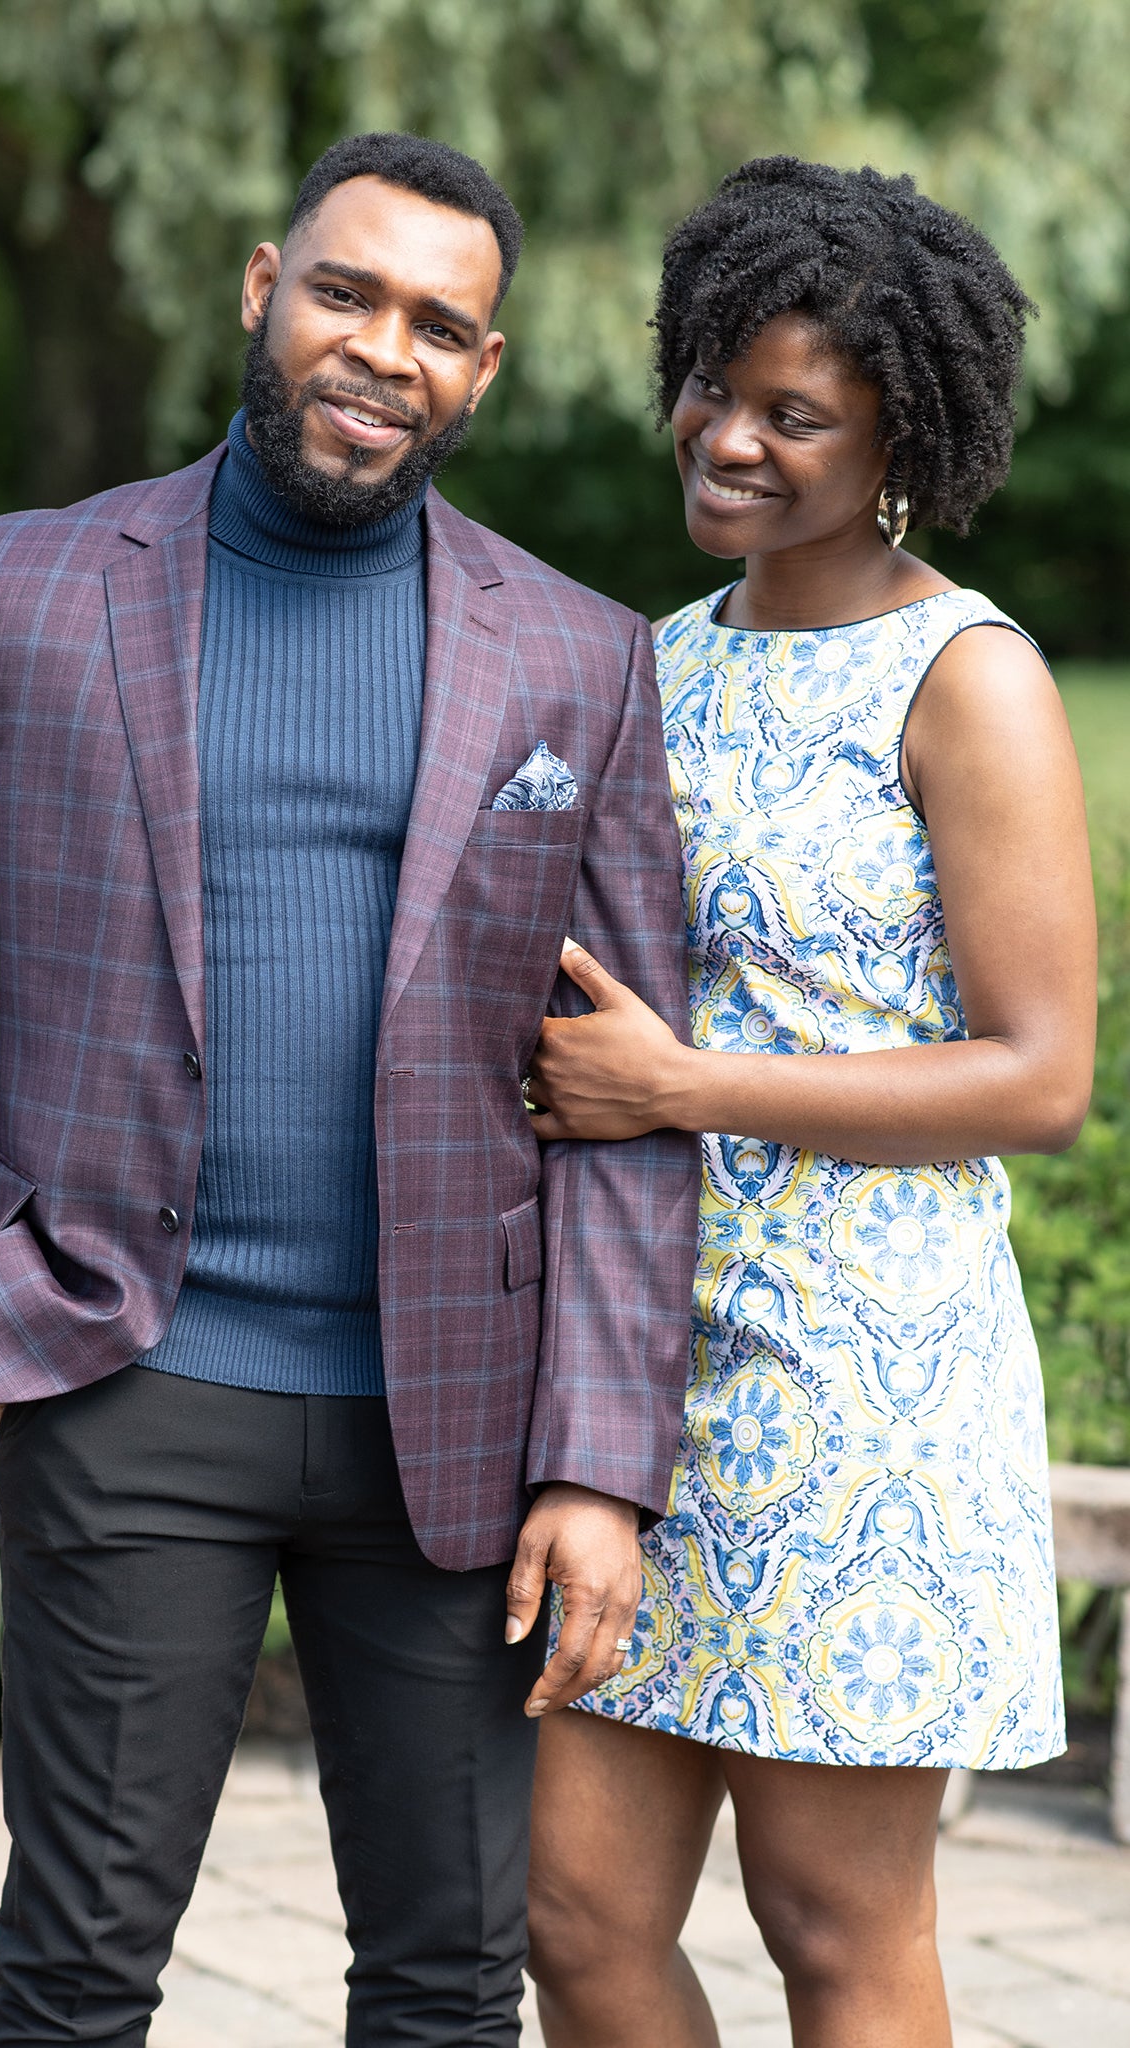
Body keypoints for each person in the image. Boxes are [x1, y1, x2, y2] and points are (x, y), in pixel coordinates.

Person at [0, 133, 701, 2047]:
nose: (384, 349)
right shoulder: (29, 590)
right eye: (348, 294)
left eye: (440, 326)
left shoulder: (579, 655)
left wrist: (604, 1461)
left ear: (488, 371)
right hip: (131, 1382)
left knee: (453, 1984)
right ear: (262, 285)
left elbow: (629, 1100)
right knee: (75, 1967)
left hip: (458, 1429)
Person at [523, 157, 1097, 2048]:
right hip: (641, 1366)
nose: (733, 441)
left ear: (899, 437)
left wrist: (683, 1084)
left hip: (863, 1381)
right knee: (572, 1911)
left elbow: (1040, 1073)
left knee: (831, 1925)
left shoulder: (966, 675)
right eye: (718, 387)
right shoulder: (648, 662)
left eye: (799, 416)